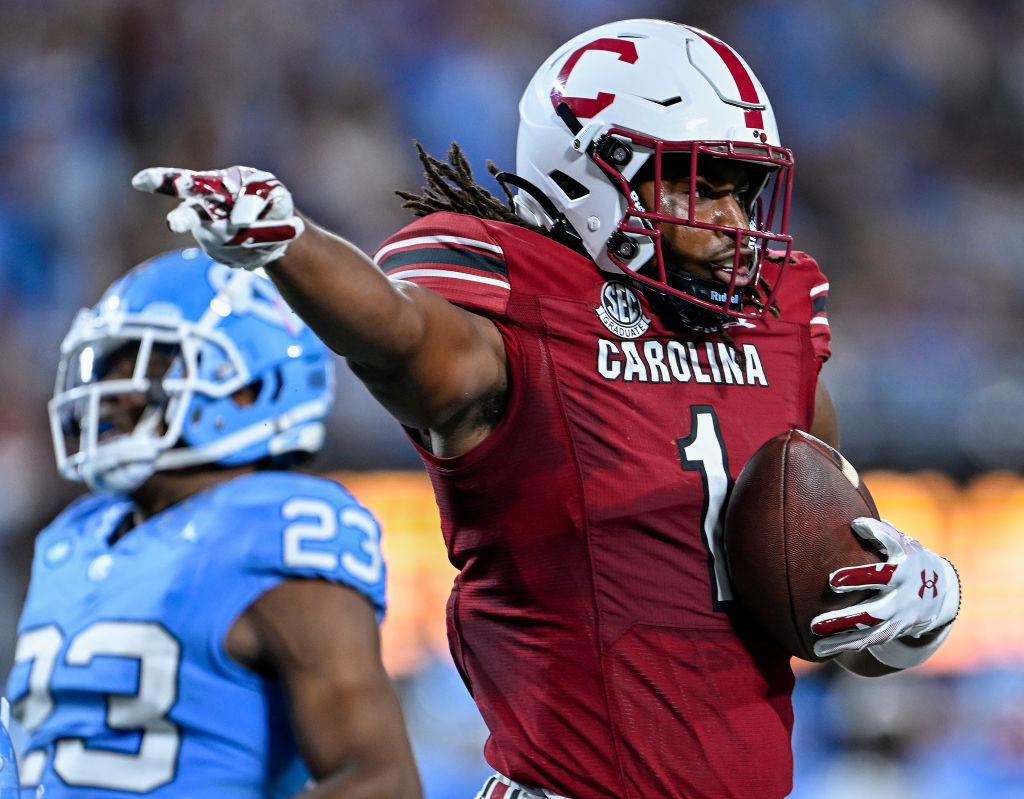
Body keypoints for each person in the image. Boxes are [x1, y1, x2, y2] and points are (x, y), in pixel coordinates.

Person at [132, 19, 961, 799]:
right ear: (589, 171)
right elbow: (397, 331)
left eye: (743, 189)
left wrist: (920, 603)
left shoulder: (775, 325)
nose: (730, 222)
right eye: (698, 184)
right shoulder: (522, 308)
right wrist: (293, 246)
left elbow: (834, 591)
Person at [4, 249, 422, 799]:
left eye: (148, 364)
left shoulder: (276, 526)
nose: (112, 392)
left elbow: (380, 782)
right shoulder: (74, 536)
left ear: (250, 387)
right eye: (109, 365)